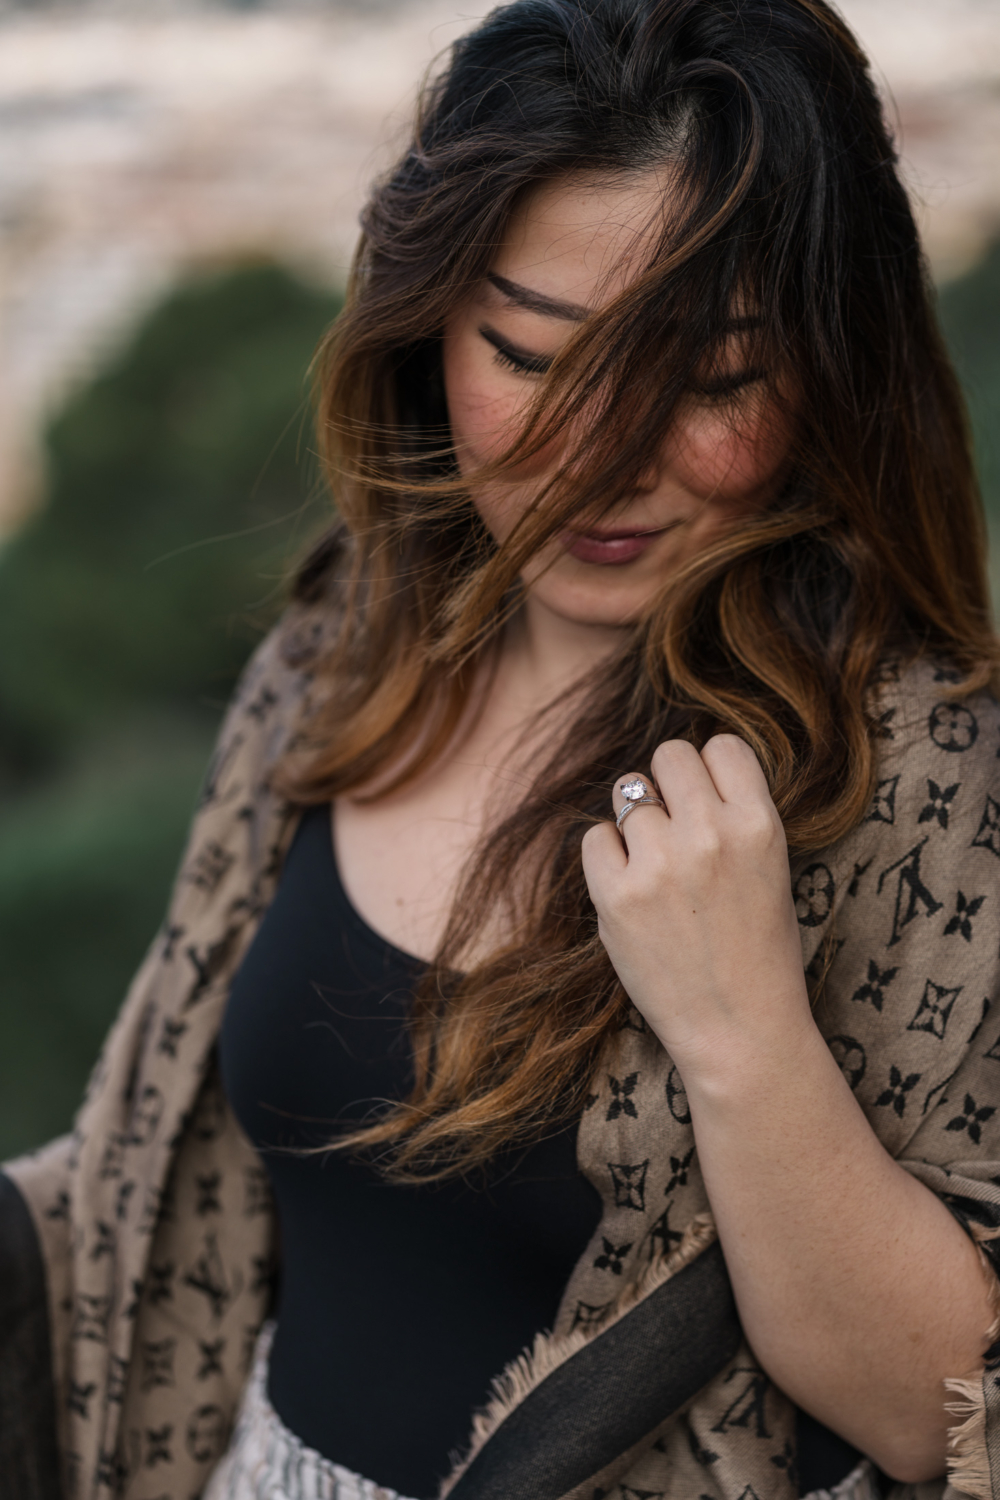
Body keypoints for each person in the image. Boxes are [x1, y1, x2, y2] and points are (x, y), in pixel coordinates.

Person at [4, 0, 1000, 1497]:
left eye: (710, 380)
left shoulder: (920, 775)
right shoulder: (347, 654)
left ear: (825, 368)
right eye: (532, 359)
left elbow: (946, 1418)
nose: (598, 458)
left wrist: (746, 1040)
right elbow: (140, 1197)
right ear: (428, 325)